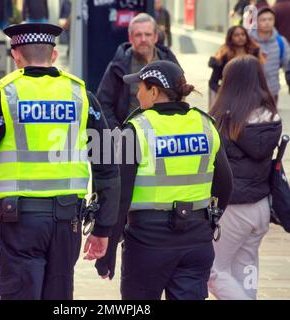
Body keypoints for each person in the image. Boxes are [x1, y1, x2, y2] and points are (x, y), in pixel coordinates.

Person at [0, 22, 120, 300]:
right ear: (54, 55)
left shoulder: (5, 94)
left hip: (18, 219)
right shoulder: (81, 94)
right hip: (67, 218)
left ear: (16, 56)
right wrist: (103, 227)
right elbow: (107, 163)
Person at [96, 60, 233, 300]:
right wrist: (208, 222)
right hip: (196, 240)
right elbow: (226, 183)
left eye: (140, 87)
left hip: (147, 243)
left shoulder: (136, 130)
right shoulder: (204, 125)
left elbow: (121, 195)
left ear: (154, 91)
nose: (137, 94)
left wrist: (108, 248)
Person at [208, 55, 282, 300]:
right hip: (261, 207)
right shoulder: (273, 118)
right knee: (246, 268)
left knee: (213, 271)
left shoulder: (224, 120)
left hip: (233, 210)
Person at [96, 13, 181, 130]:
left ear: (155, 37)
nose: (143, 39)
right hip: (130, 136)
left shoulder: (169, 62)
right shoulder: (118, 66)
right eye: (138, 35)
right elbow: (104, 104)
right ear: (130, 38)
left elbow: (181, 98)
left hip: (165, 134)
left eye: (148, 34)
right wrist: (118, 133)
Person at [208, 25, 264, 106]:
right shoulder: (224, 56)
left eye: (243, 34)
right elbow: (212, 82)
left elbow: (260, 78)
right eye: (236, 35)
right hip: (230, 100)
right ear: (230, 38)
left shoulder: (254, 53)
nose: (240, 37)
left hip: (251, 98)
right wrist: (225, 93)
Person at [250, 7, 290, 102]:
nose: (267, 22)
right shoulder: (249, 40)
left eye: (270, 19)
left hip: (273, 92)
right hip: (251, 92)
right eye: (263, 20)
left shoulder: (281, 41)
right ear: (257, 22)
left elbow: (288, 65)